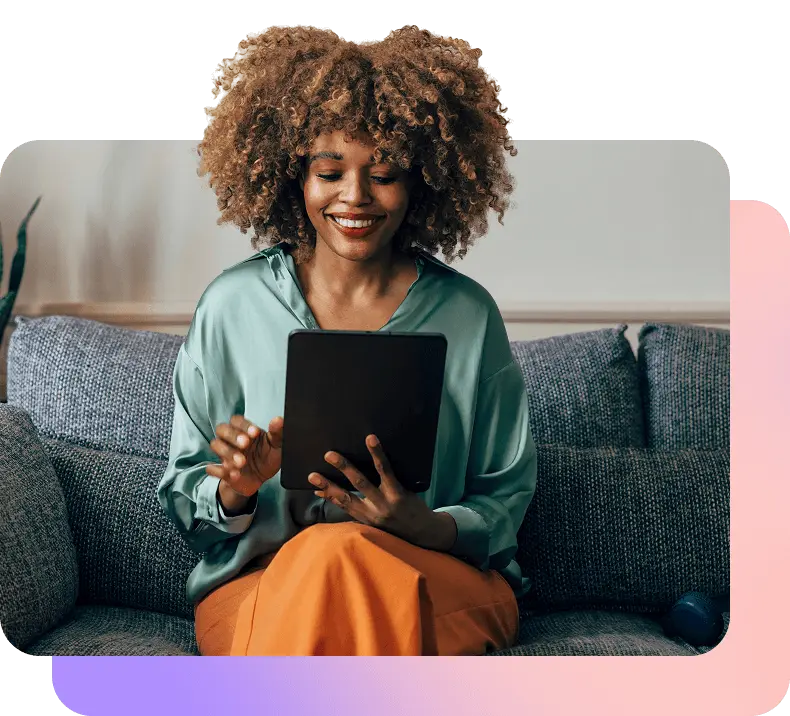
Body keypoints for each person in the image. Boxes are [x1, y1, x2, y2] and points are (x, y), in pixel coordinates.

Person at [157, 24, 537, 656]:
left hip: (431, 576)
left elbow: (503, 500)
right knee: (329, 562)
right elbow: (186, 497)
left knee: (342, 561)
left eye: (384, 174)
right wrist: (235, 487)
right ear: (292, 176)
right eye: (330, 172)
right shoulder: (232, 306)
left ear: (422, 182)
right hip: (263, 585)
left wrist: (427, 525)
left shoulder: (468, 315)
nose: (355, 197)